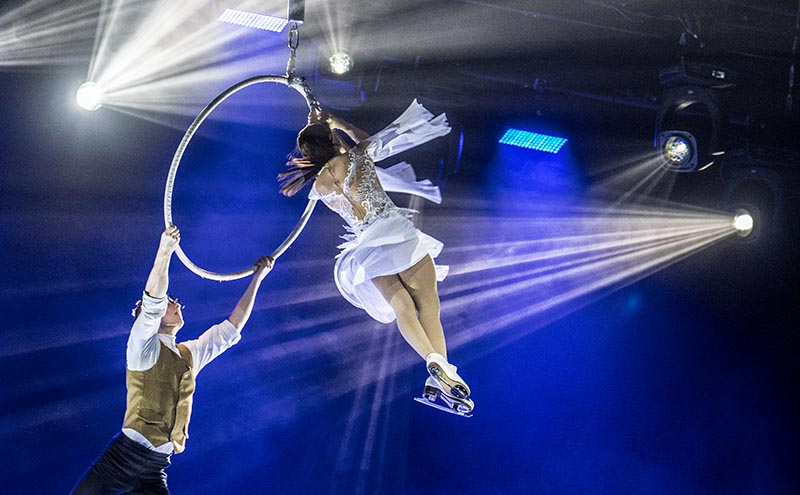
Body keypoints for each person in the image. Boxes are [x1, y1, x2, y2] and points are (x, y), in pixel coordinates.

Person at [278, 100, 473, 415]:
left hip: (367, 250)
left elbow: (332, 160)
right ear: (329, 140)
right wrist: (336, 121)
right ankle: (441, 367)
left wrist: (322, 132)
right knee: (429, 308)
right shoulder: (355, 157)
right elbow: (366, 138)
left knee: (403, 309)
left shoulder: (319, 186)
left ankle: (436, 368)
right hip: (396, 235)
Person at [70, 225, 274, 494]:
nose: (178, 304)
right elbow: (153, 301)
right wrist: (164, 250)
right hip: (122, 459)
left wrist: (257, 278)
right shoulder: (142, 345)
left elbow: (231, 328)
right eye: (171, 301)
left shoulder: (189, 354)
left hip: (156, 466)